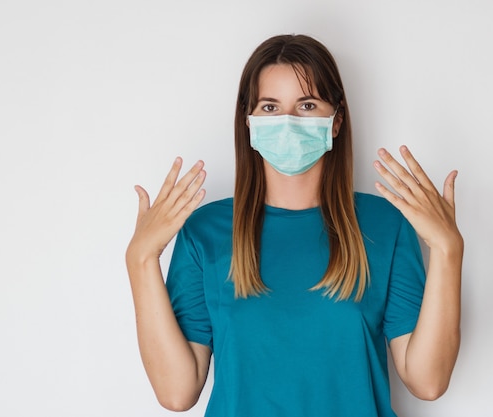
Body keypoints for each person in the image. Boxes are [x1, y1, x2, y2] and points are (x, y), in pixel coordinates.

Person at [126, 34, 463, 417]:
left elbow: (428, 381)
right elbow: (176, 392)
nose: (287, 122)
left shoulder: (385, 225)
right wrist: (141, 259)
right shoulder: (205, 232)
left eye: (306, 105)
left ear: (336, 121)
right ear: (249, 122)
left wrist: (448, 250)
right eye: (270, 107)